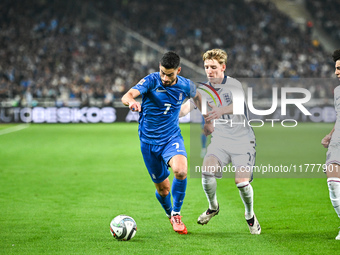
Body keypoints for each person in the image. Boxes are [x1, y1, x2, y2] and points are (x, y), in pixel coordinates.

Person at [180, 48, 261, 234]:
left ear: (223, 67)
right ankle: (213, 206)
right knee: (206, 172)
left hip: (243, 141)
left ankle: (249, 215)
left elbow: (239, 104)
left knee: (241, 182)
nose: (209, 70)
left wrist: (219, 112)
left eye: (213, 67)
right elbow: (187, 108)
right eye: (207, 67)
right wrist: (171, 115)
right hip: (220, 141)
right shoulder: (202, 90)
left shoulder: (233, 84)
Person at [121, 51, 196, 235]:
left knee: (181, 170)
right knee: (163, 190)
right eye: (162, 72)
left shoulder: (187, 86)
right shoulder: (151, 80)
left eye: (169, 74)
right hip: (148, 143)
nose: (164, 77)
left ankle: (177, 214)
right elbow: (127, 95)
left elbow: (200, 98)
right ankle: (170, 213)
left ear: (178, 70)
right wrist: (131, 103)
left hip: (171, 138)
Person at [321, 49, 340, 240]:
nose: (336, 72)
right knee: (333, 182)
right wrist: (330, 134)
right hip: (338, 142)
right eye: (336, 68)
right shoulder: (337, 92)